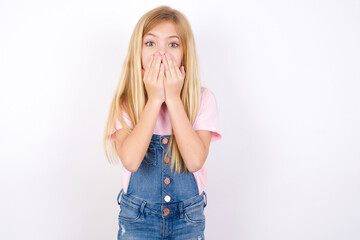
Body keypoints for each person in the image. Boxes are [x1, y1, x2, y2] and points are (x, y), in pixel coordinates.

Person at [103, 5, 222, 240]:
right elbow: (130, 160)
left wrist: (174, 97)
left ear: (185, 54)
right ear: (137, 52)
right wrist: (155, 98)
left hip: (187, 220)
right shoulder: (125, 104)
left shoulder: (203, 100)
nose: (161, 53)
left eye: (173, 44)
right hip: (137, 220)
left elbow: (195, 160)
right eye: (151, 43)